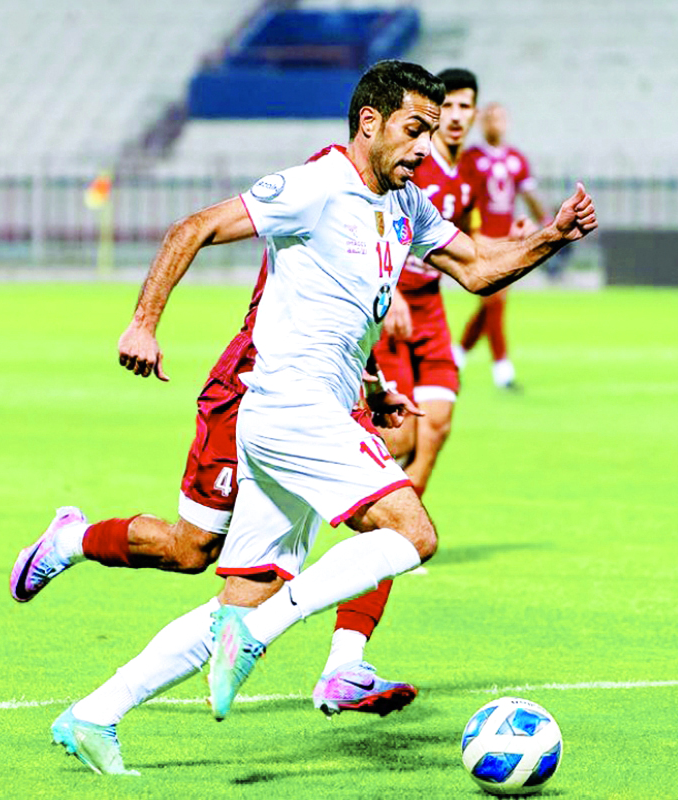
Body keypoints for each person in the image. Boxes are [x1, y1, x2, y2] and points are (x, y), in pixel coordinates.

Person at [44, 59, 596, 776]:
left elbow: (478, 265)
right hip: (290, 404)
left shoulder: (406, 203)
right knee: (413, 531)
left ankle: (95, 714)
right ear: (370, 122)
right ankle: (266, 635)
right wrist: (143, 323)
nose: (426, 146)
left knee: (238, 597)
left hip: (308, 413)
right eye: (414, 129)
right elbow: (196, 226)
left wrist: (551, 236)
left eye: (431, 131)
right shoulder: (316, 185)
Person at [11, 255, 420, 720]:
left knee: (392, 521)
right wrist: (143, 324)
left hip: (324, 398)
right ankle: (71, 541)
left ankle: (344, 665)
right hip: (253, 388)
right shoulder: (317, 195)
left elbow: (349, 316)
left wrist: (373, 388)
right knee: (190, 550)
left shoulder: (387, 211)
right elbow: (197, 228)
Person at [374, 67, 480, 496]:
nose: (456, 115)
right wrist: (390, 289)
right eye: (448, 106)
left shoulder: (470, 171)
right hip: (394, 305)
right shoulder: (412, 165)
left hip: (431, 308)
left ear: (474, 113)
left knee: (436, 426)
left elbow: (468, 236)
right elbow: (375, 222)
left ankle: (401, 534)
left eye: (464, 106)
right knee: (400, 437)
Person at [456, 103, 550, 391]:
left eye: (498, 118)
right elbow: (466, 199)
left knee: (492, 303)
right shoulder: (471, 158)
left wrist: (547, 222)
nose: (494, 124)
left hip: (509, 240)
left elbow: (528, 193)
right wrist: (472, 233)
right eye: (489, 118)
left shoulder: (516, 159)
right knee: (494, 301)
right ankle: (503, 370)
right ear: (482, 123)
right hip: (481, 239)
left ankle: (455, 357)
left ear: (506, 122)